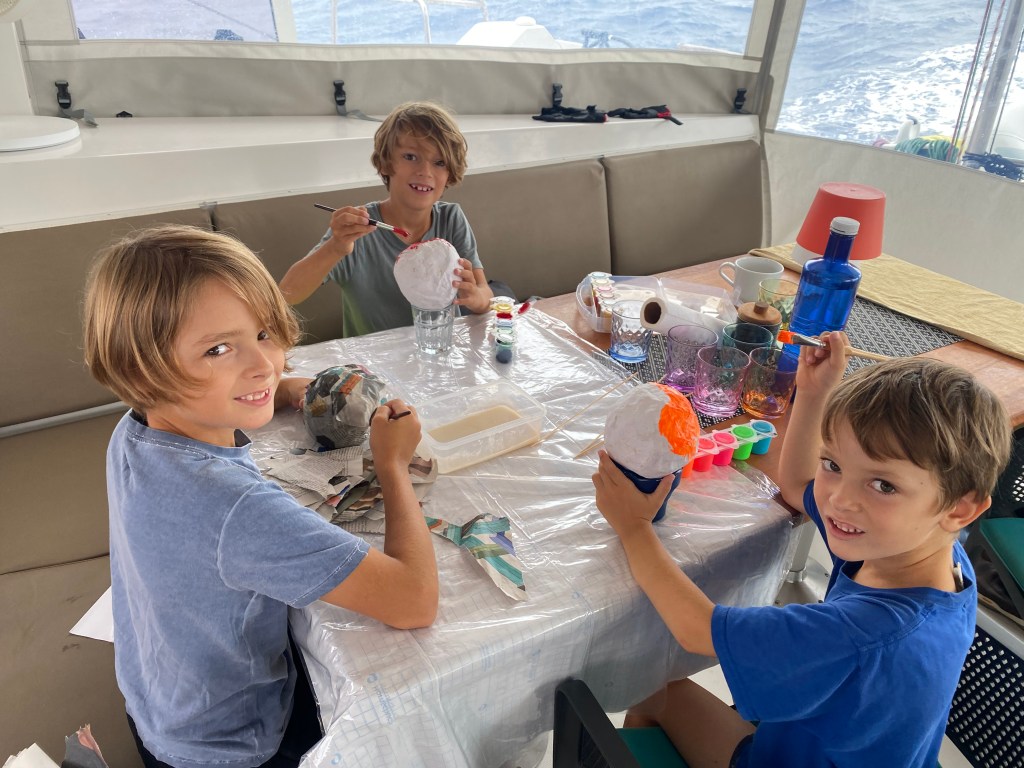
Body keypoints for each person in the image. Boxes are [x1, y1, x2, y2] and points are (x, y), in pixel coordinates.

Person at [82, 225, 439, 768]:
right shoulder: (235, 508)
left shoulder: (133, 430)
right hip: (233, 745)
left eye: (266, 333)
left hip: (159, 702)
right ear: (142, 370)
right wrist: (392, 464)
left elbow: (252, 376)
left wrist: (277, 388)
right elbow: (414, 601)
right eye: (219, 349)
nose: (263, 365)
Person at [592, 333, 1012, 768]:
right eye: (833, 464)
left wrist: (634, 528)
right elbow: (797, 486)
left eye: (883, 484)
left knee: (652, 690)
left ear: (961, 509)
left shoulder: (859, 635)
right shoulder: (932, 555)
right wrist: (812, 394)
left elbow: (696, 630)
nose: (839, 500)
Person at [279, 101, 494, 337]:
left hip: (440, 351)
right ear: (385, 163)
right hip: (372, 359)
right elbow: (287, 294)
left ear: (450, 173)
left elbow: (486, 296)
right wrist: (335, 247)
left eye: (439, 162)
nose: (425, 171)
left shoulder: (451, 219)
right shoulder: (356, 230)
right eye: (410, 156)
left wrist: (476, 297)